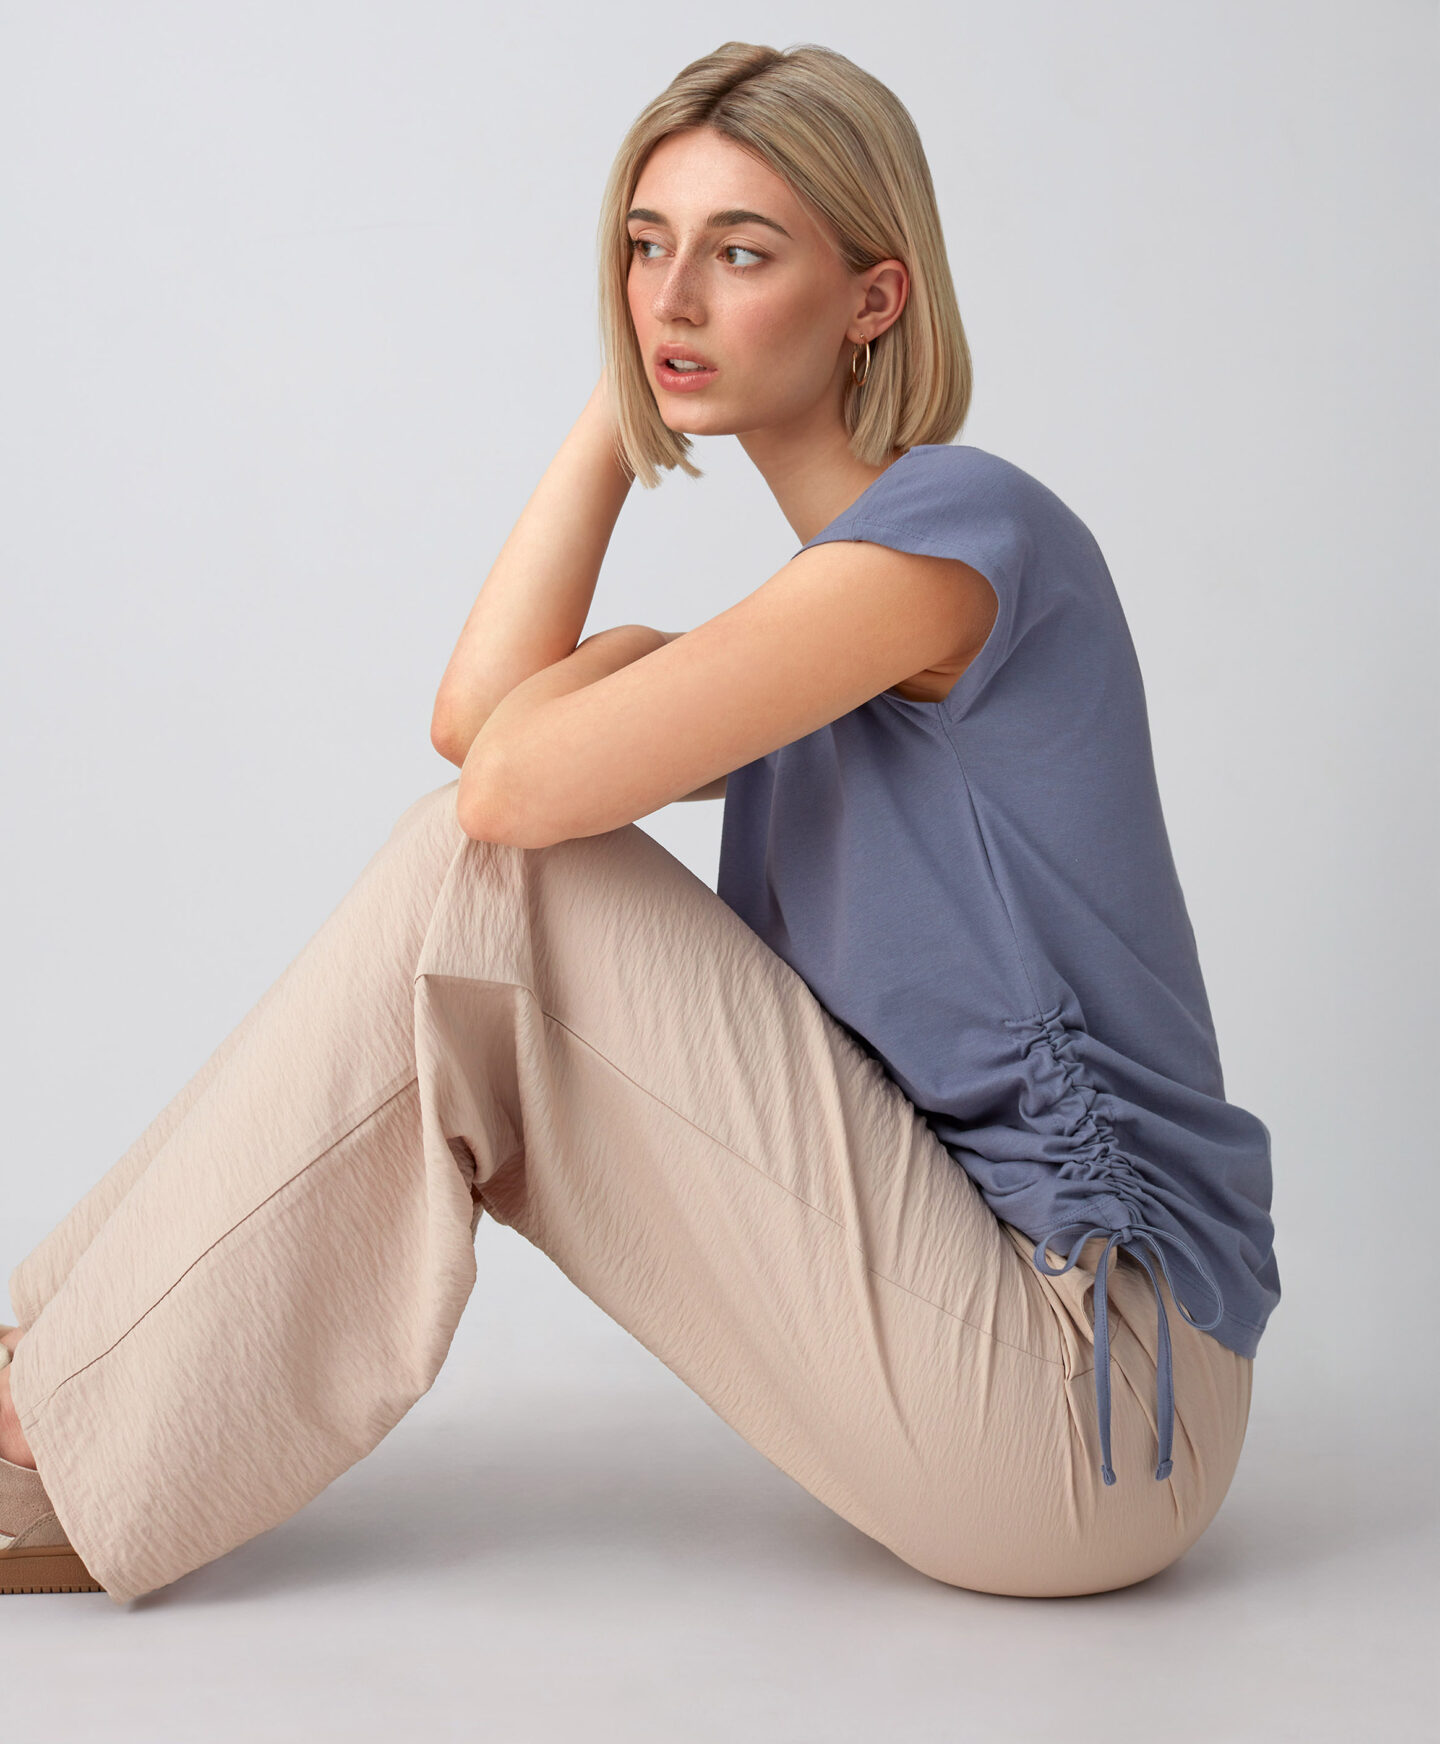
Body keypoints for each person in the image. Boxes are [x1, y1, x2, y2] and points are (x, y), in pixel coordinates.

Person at [1, 39, 1277, 1605]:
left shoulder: (957, 539)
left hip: (1092, 1399)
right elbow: (480, 724)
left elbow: (502, 793)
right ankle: (56, 1376)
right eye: (643, 245)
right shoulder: (823, 625)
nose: (670, 300)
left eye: (740, 254)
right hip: (996, 1355)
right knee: (481, 863)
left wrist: (598, 663)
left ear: (873, 298)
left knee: (488, 879)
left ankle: (53, 1419)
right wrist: (624, 417)